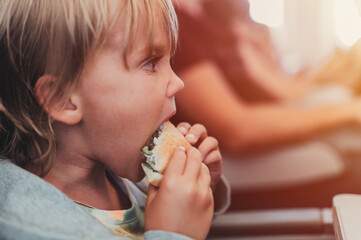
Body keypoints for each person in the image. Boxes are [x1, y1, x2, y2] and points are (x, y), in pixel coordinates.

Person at [0, 0, 230, 239]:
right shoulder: (32, 226)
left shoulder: (132, 182)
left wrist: (197, 192)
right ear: (63, 98)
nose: (177, 83)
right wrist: (173, 235)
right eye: (150, 63)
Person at [172, 0, 361, 155]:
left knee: (339, 95)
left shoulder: (216, 13)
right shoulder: (178, 25)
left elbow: (280, 89)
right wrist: (348, 112)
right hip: (242, 150)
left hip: (271, 111)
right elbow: (237, 130)